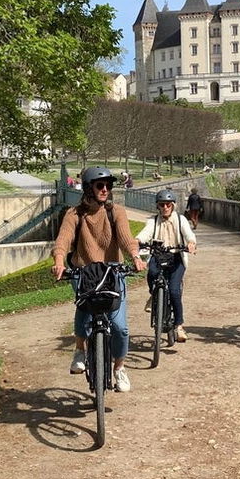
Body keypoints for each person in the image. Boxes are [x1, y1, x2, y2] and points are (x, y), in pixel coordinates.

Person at [52, 166, 146, 391]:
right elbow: (63, 239)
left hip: (113, 271)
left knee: (120, 327)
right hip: (85, 272)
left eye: (108, 186)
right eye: (100, 185)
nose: (105, 189)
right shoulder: (74, 214)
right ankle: (80, 350)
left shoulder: (116, 212)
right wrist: (58, 260)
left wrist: (135, 256)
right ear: (88, 188)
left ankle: (119, 368)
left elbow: (126, 238)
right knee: (84, 310)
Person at [135, 189, 197, 342]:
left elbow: (189, 234)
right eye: (162, 205)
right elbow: (145, 233)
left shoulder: (181, 220)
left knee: (175, 290)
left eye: (168, 204)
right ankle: (154, 295)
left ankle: (179, 326)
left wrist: (190, 243)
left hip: (176, 257)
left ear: (173, 205)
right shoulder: (153, 221)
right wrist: (137, 241)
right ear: (158, 206)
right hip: (158, 256)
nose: (165, 207)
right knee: (151, 275)